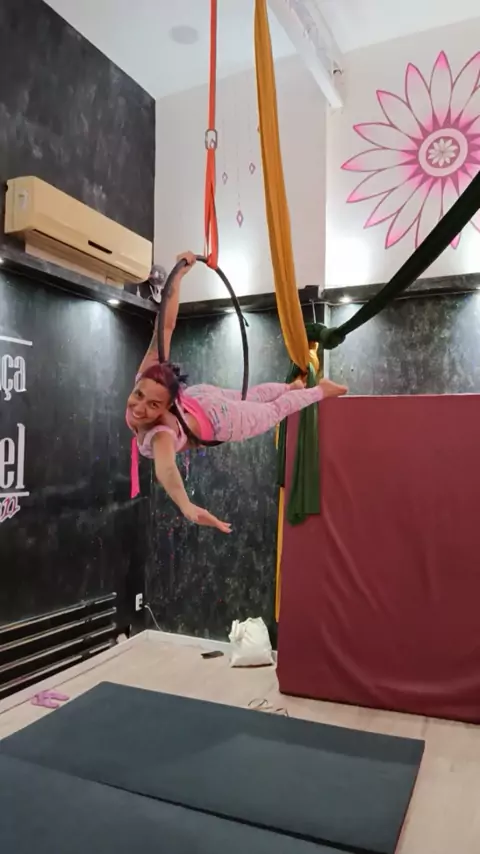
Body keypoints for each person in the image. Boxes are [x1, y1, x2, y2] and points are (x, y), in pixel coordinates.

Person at [126, 251, 347, 533]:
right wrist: (177, 276)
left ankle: (321, 390)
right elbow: (165, 328)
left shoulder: (159, 435)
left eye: (153, 405)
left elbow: (166, 468)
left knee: (273, 411)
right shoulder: (148, 379)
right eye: (138, 395)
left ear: (166, 406)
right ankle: (291, 387)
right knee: (251, 397)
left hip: (218, 420)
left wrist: (185, 505)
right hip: (199, 398)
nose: (140, 407)